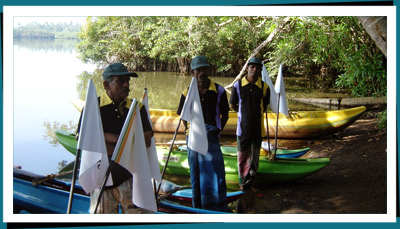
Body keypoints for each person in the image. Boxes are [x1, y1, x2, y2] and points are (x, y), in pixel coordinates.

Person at [76, 62, 154, 213]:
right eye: (120, 81)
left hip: (131, 179)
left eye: (128, 81)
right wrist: (126, 143)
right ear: (106, 85)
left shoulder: (137, 107)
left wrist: (105, 137)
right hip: (101, 181)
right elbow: (85, 143)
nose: (126, 85)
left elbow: (146, 142)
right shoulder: (93, 107)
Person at [177, 56, 230, 212]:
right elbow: (182, 116)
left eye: (204, 69)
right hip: (193, 138)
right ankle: (198, 206)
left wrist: (217, 130)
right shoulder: (187, 92)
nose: (202, 73)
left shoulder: (219, 90)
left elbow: (225, 114)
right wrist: (189, 131)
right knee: (196, 173)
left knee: (216, 172)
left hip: (212, 137)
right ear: (193, 72)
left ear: (209, 70)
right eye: (198, 70)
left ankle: (217, 206)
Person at [229, 57, 270, 191]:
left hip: (257, 128)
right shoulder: (237, 85)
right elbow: (232, 104)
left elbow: (264, 105)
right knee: (242, 156)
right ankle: (242, 182)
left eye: (258, 68)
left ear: (260, 70)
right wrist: (242, 114)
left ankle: (251, 182)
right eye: (252, 67)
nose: (255, 69)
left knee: (255, 157)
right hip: (243, 128)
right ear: (247, 68)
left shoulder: (264, 87)